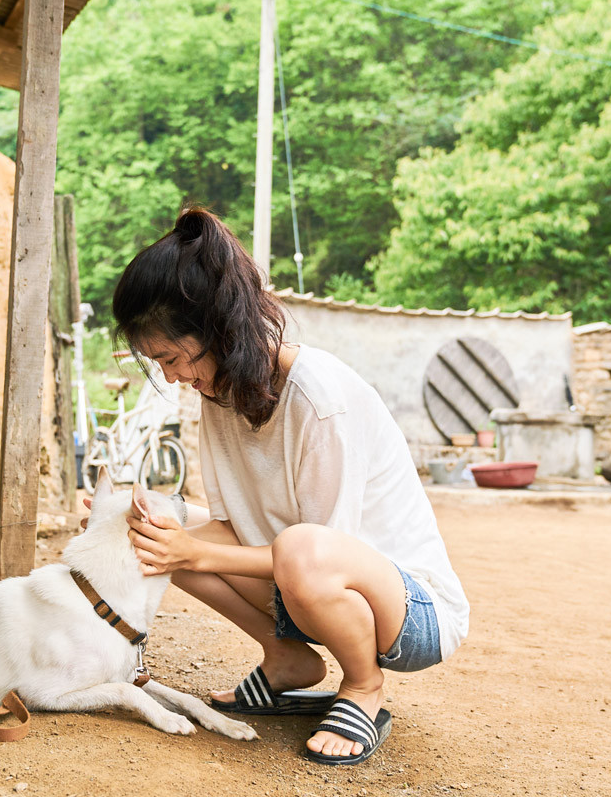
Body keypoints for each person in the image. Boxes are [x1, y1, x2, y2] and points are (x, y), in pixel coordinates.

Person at [109, 206, 469, 765]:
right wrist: (157, 527)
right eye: (159, 364)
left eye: (173, 358)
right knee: (160, 535)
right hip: (307, 585)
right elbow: (233, 528)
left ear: (217, 331)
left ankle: (364, 685)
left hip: (409, 612)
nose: (173, 376)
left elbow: (321, 551)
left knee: (291, 548)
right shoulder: (218, 394)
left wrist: (197, 551)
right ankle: (287, 659)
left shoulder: (319, 399)